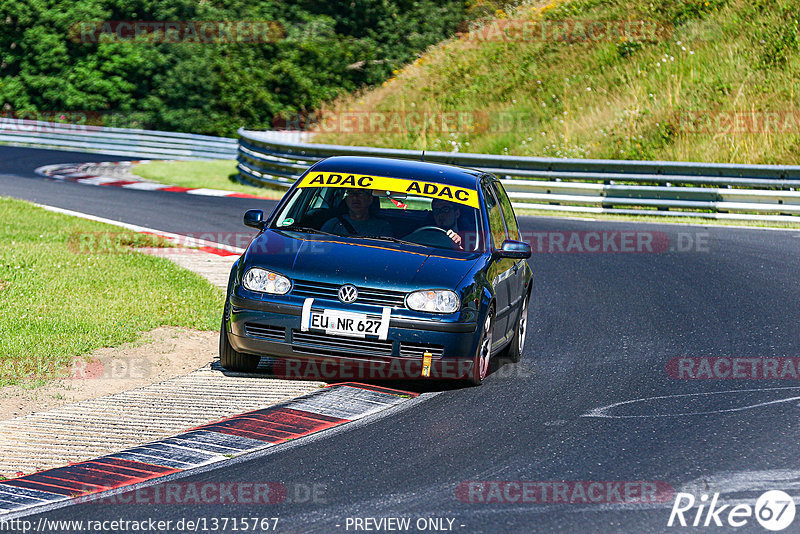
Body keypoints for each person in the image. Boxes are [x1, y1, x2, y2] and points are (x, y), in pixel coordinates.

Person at [321, 188, 392, 236]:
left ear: (370, 199)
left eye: (360, 193)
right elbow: (320, 248)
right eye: (351, 193)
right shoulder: (332, 224)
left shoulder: (382, 227)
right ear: (346, 199)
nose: (355, 197)